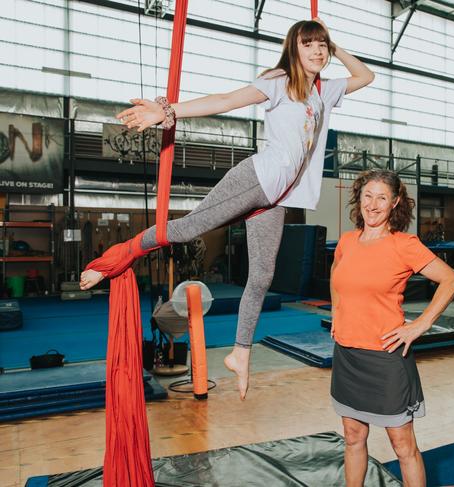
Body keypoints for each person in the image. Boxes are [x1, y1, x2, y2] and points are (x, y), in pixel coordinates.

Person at [80, 18, 374, 400]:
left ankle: (240, 351)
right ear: (294, 48)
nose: (317, 51)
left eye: (322, 46)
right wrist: (168, 113)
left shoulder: (325, 90)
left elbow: (365, 76)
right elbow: (225, 100)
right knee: (187, 228)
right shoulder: (279, 80)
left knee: (263, 275)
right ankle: (115, 258)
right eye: (309, 45)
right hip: (256, 178)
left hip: (275, 197)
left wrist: (336, 48)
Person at [330, 169, 454, 486]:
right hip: (347, 355)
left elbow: (451, 280)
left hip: (385, 358)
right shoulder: (347, 241)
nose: (372, 205)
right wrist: (337, 313)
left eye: (381, 198)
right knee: (352, 437)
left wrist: (419, 325)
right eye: (367, 196)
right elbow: (337, 276)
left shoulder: (404, 245)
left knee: (403, 447)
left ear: (395, 203)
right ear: (358, 198)